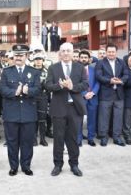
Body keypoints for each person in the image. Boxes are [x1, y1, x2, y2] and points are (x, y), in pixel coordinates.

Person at [45, 42, 88, 177]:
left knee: (73, 138)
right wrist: (60, 85)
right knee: (58, 138)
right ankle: (58, 165)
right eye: (63, 51)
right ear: (60, 53)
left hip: (75, 109)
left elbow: (85, 84)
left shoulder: (80, 67)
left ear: (72, 52)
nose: (65, 53)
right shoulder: (53, 68)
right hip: (59, 108)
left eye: (68, 51)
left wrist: (71, 87)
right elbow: (47, 85)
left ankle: (74, 164)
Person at [0, 44, 41, 176]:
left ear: (26, 56)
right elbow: (2, 89)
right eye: (16, 55)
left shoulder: (34, 71)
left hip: (28, 113)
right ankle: (13, 166)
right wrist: (14, 92)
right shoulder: (6, 71)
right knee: (12, 142)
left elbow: (38, 89)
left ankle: (26, 166)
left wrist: (29, 91)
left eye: (21, 55)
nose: (18, 57)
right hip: (11, 113)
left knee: (27, 141)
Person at [95, 44, 129, 147]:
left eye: (113, 52)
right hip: (105, 95)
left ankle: (117, 137)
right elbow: (98, 76)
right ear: (106, 52)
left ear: (116, 52)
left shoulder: (121, 62)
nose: (111, 53)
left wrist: (121, 81)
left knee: (118, 117)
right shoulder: (101, 63)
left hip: (119, 95)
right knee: (104, 117)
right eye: (109, 52)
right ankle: (103, 137)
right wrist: (110, 80)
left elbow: (126, 74)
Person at [78, 50, 100, 147]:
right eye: (82, 57)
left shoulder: (93, 69)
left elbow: (98, 82)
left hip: (93, 97)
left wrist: (93, 92)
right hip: (80, 97)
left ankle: (91, 138)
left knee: (92, 119)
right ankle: (78, 139)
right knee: (79, 119)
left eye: (85, 57)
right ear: (79, 58)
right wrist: (84, 93)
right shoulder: (76, 70)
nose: (83, 59)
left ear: (89, 59)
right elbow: (75, 84)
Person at [32, 53, 49, 146]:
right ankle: (34, 139)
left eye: (40, 59)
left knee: (42, 119)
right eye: (36, 59)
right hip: (33, 97)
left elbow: (49, 84)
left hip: (43, 96)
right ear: (33, 60)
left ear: (43, 60)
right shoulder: (30, 71)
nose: (38, 61)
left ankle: (42, 139)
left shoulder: (47, 71)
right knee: (34, 119)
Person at [123, 51, 131, 145]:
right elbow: (125, 83)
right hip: (129, 99)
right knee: (127, 121)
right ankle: (127, 136)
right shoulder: (125, 70)